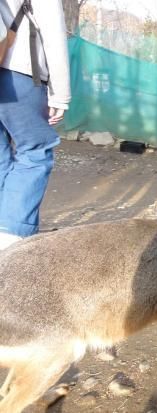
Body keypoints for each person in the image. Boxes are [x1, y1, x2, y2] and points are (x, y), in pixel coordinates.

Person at [0, 0, 70, 249]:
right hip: (16, 72)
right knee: (35, 151)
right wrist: (60, 94)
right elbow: (54, 35)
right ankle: (9, 240)